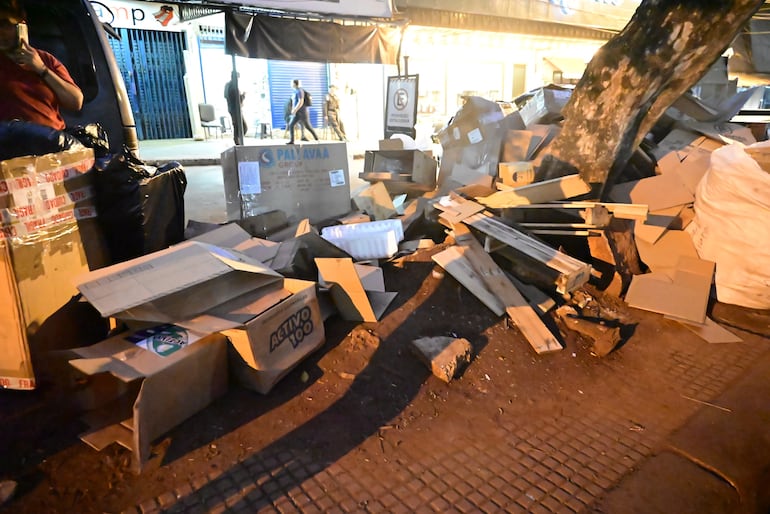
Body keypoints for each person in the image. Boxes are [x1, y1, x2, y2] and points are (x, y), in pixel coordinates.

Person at [0, 0, 83, 131]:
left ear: (21, 27)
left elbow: (75, 101)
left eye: (5, 24)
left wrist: (41, 69)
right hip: (13, 144)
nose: (1, 32)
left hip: (53, 142)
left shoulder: (45, 59)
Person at [286, 79, 318, 144]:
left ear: (295, 84)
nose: (291, 84)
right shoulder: (294, 91)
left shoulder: (300, 91)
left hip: (302, 112)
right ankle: (293, 140)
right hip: (297, 112)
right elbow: (294, 102)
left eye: (292, 83)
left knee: (307, 126)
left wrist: (295, 109)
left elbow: (301, 101)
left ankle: (317, 139)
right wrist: (293, 109)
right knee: (293, 125)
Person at [224, 72, 247, 138]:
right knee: (242, 126)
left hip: (231, 108)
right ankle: (237, 140)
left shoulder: (227, 85)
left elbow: (226, 96)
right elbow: (237, 99)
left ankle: (237, 139)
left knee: (237, 125)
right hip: (235, 109)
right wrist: (243, 96)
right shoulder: (233, 87)